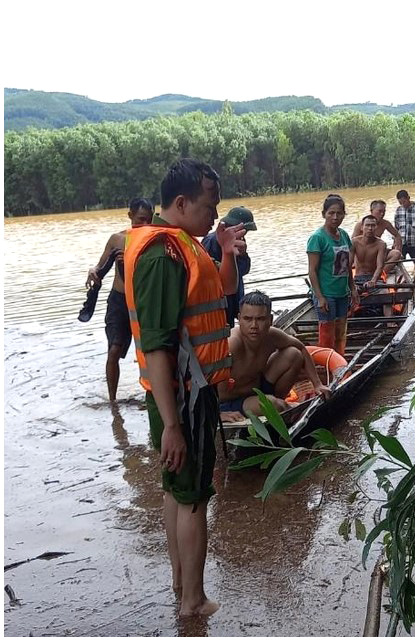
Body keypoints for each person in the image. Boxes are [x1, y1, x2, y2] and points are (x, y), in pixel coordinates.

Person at [124, 158, 245, 617]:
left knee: (177, 490)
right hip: (184, 397)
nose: (216, 215)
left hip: (186, 394)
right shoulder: (162, 255)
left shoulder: (184, 246)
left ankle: (181, 586)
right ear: (181, 203)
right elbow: (156, 345)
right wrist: (173, 424)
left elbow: (223, 290)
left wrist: (228, 252)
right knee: (192, 495)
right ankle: (193, 601)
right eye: (209, 205)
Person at [217, 291, 329, 421]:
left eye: (260, 319)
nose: (254, 326)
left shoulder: (272, 336)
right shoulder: (232, 344)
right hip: (230, 403)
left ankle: (278, 401)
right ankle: (276, 405)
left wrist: (317, 384)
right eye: (248, 319)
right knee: (273, 405)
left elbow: (302, 348)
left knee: (294, 354)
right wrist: (217, 415)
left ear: (270, 320)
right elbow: (201, 381)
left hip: (258, 389)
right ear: (239, 319)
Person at [85, 197, 154, 401]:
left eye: (148, 220)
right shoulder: (117, 239)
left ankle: (153, 395)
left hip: (143, 300)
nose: (144, 225)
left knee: (151, 351)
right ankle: (113, 401)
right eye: (140, 219)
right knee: (114, 350)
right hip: (119, 300)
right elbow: (100, 267)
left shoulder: (154, 240)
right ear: (130, 216)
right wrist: (93, 271)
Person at [307, 194, 359, 356]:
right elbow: (312, 271)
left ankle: (339, 363)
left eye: (339, 213)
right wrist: (320, 297)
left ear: (344, 215)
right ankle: (325, 367)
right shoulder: (317, 238)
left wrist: (353, 288)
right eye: (331, 213)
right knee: (327, 334)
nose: (335, 217)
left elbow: (346, 266)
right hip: (326, 294)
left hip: (342, 292)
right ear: (324, 214)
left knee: (341, 332)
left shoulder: (343, 235)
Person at [202, 205, 256, 328]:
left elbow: (243, 270)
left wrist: (242, 255)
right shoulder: (212, 241)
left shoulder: (237, 240)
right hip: (220, 303)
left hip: (233, 298)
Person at [352, 200, 403, 272]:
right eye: (380, 211)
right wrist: (353, 261)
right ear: (372, 211)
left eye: (384, 212)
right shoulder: (361, 224)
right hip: (364, 254)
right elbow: (352, 244)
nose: (382, 214)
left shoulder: (385, 223)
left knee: (397, 254)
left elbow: (397, 235)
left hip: (378, 252)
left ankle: (381, 273)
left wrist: (398, 248)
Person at [394, 189, 415, 280]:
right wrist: (395, 243)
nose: (403, 204)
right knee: (398, 262)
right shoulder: (398, 210)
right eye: (400, 203)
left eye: (404, 201)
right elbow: (396, 228)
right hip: (402, 242)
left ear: (408, 198)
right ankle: (403, 280)